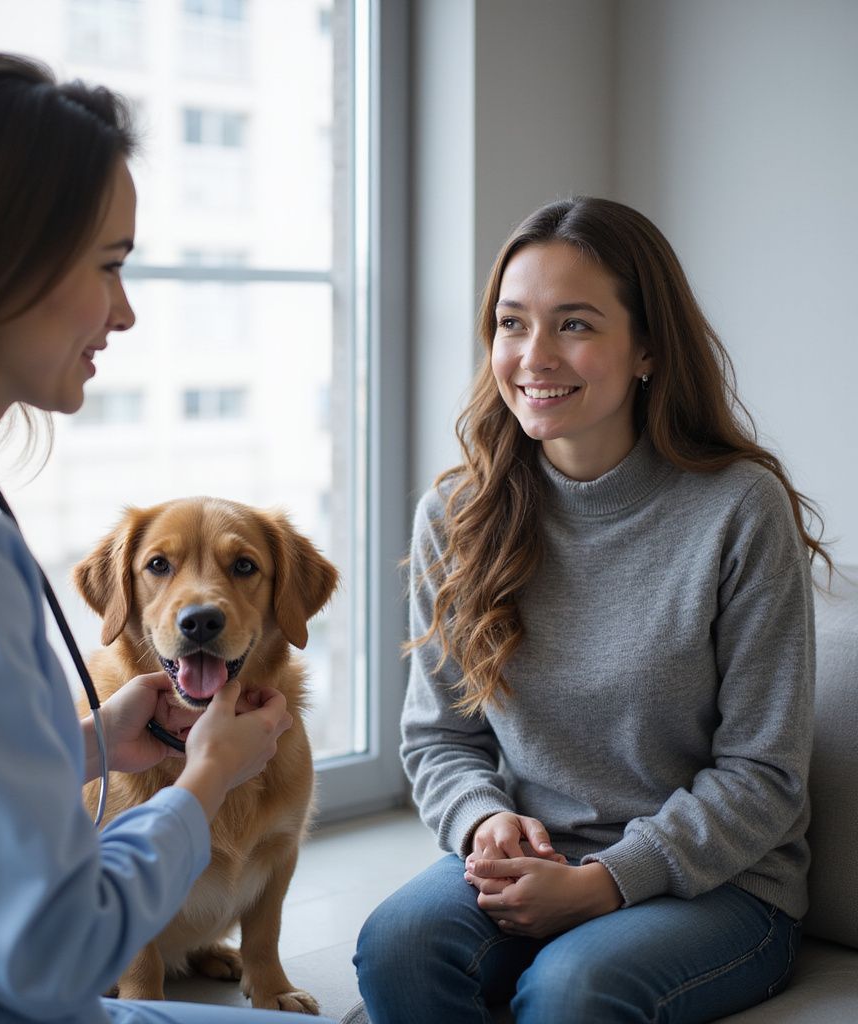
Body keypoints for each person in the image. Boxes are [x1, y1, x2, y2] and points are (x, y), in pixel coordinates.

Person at [0, 50, 335, 1024]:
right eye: (108, 264)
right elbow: (50, 951)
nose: (125, 309)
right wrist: (204, 782)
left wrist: (87, 746)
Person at [350, 196, 829, 1023]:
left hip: (721, 884)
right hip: (535, 859)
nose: (534, 356)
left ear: (646, 347)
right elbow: (439, 736)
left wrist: (606, 883)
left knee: (574, 989)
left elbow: (765, 776)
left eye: (574, 324)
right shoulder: (457, 515)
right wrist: (483, 823)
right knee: (397, 945)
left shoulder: (739, 509)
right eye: (511, 324)